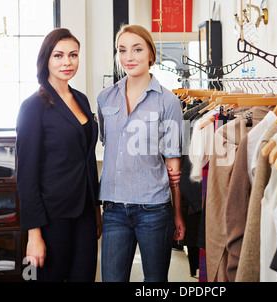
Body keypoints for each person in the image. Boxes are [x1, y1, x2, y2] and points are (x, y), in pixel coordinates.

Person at [97, 24, 186, 282]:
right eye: (122, 50)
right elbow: (109, 145)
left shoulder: (167, 101)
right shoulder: (105, 98)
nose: (129, 57)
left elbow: (173, 165)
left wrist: (178, 213)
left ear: (150, 54)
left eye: (137, 49)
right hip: (113, 209)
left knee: (155, 283)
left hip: (154, 209)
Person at [16, 28, 101, 282]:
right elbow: (26, 175)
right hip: (51, 218)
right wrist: (34, 234)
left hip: (85, 213)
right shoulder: (33, 106)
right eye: (59, 55)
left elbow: (87, 159)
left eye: (73, 55)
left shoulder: (82, 99)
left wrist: (96, 210)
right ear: (46, 59)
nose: (67, 62)